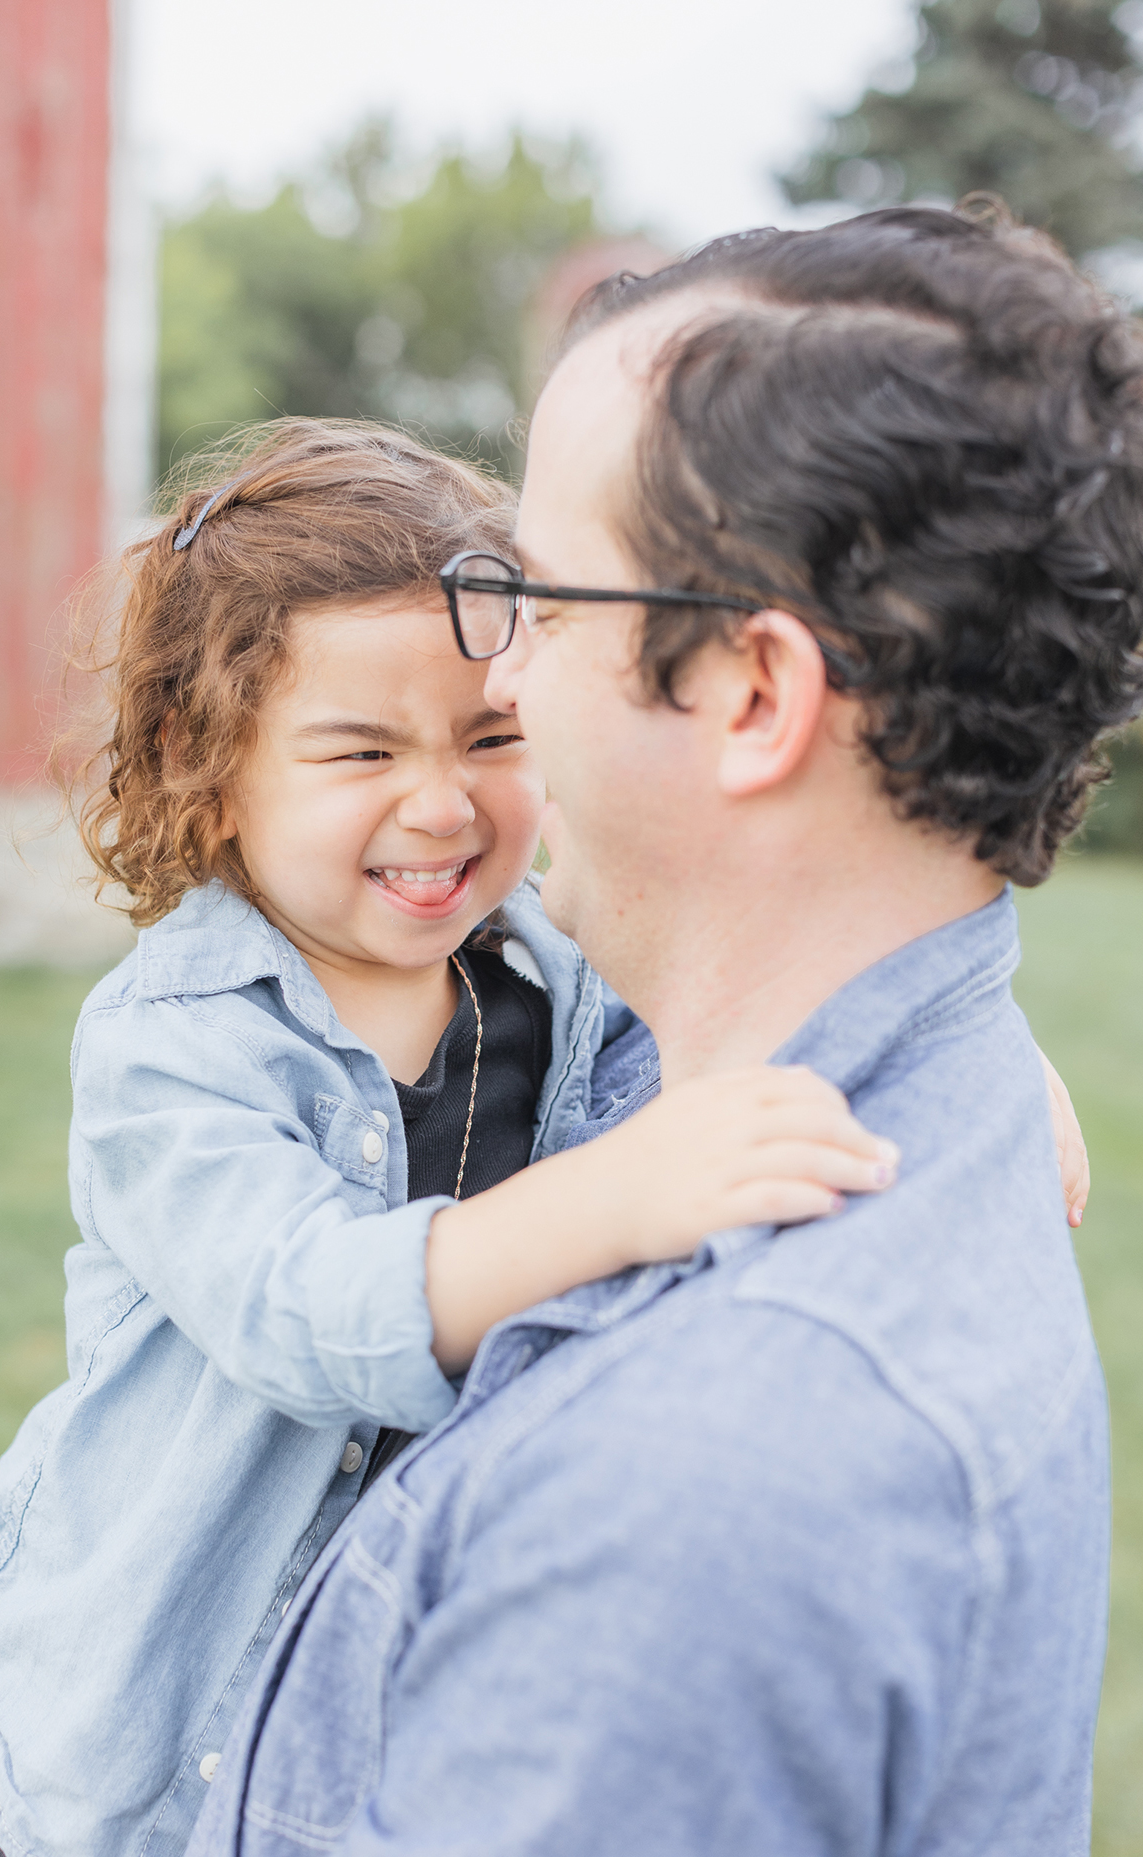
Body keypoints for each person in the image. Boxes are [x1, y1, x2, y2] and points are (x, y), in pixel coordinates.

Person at [190, 205, 1136, 1855]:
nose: (513, 680)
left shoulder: (695, 1496)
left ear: (753, 697)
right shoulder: (921, 1072)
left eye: (539, 604)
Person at [0, 420, 1001, 1857]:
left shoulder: (555, 972)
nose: (442, 803)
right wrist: (622, 1195)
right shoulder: (172, 1044)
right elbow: (308, 1307)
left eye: (494, 737)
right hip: (119, 1735)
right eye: (360, 748)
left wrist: (979, 1046)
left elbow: (778, 998)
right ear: (205, 753)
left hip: (357, 1720)